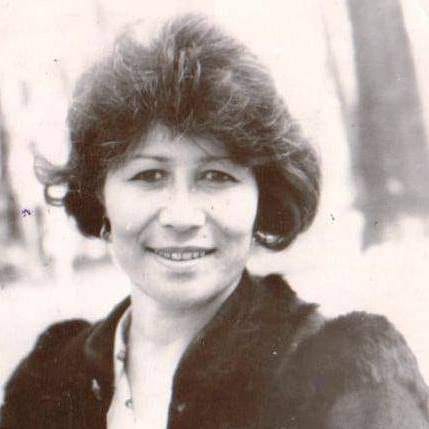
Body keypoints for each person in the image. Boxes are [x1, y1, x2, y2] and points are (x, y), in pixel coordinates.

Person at [1, 14, 428, 429]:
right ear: (99, 194)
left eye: (216, 176)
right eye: (149, 175)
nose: (182, 217)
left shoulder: (346, 381)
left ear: (262, 195)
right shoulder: (51, 381)